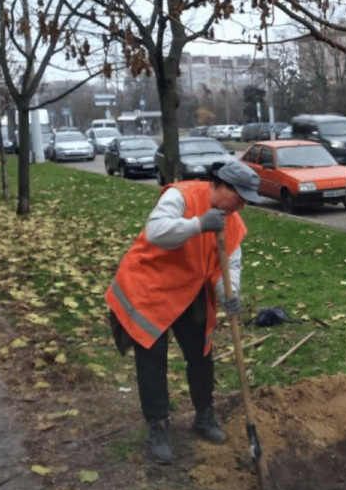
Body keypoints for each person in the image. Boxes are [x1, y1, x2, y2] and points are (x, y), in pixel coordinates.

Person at [106, 161, 262, 463]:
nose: (241, 206)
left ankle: (204, 415)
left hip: (190, 289)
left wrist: (230, 294)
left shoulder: (232, 220)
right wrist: (199, 224)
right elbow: (156, 231)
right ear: (219, 185)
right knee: (152, 358)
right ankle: (158, 425)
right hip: (151, 286)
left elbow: (229, 263)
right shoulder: (181, 196)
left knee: (201, 355)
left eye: (246, 200)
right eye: (239, 197)